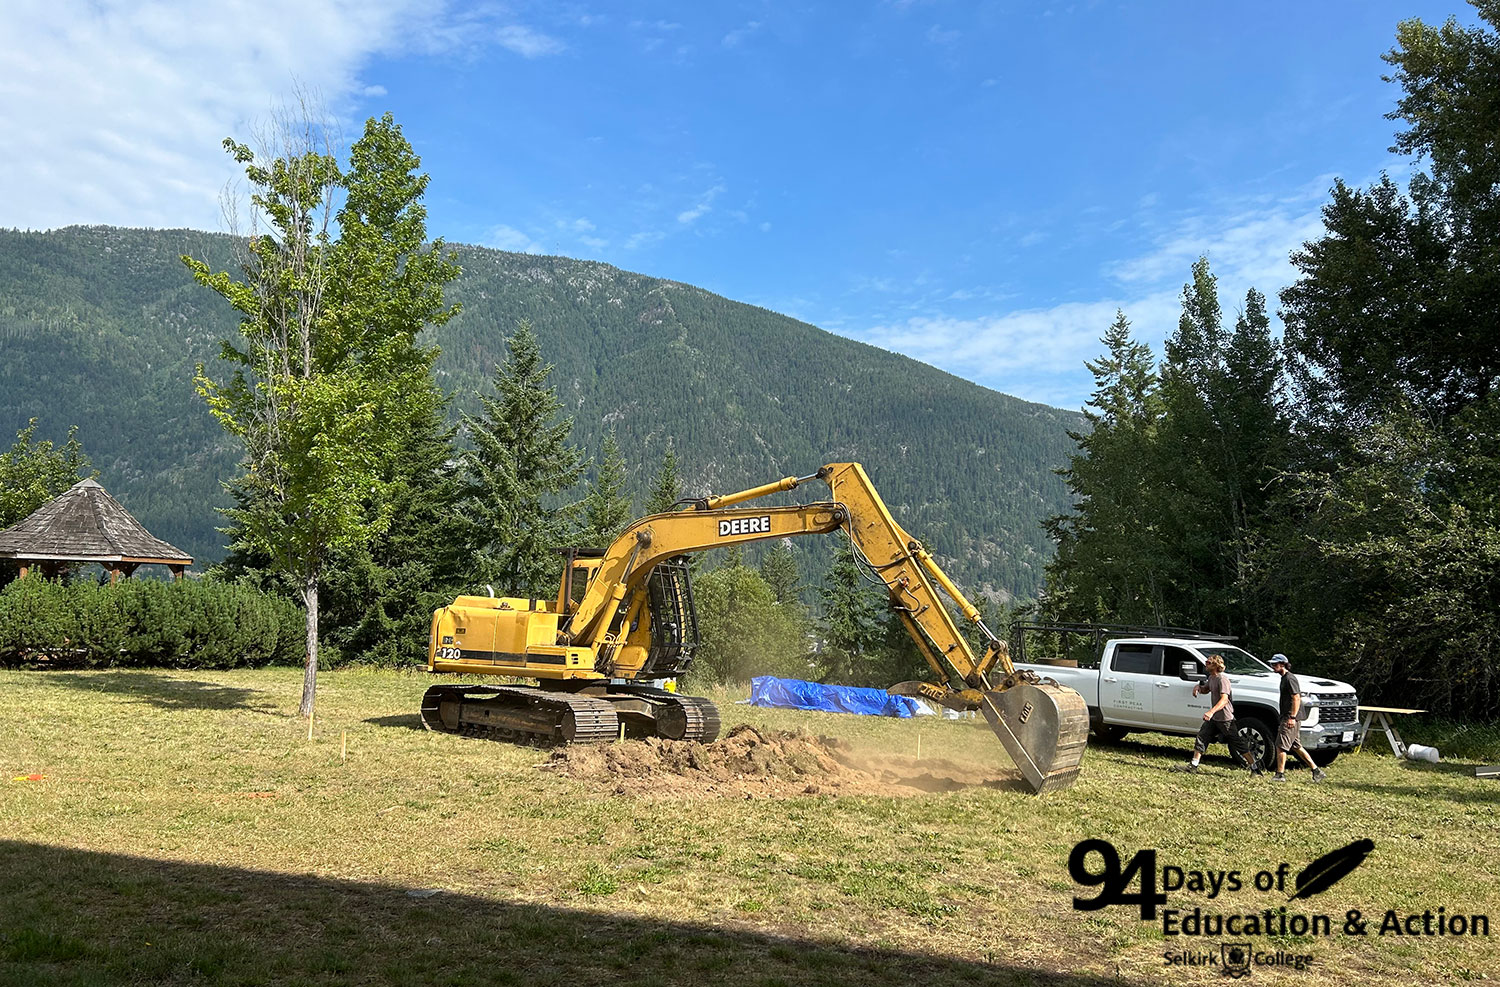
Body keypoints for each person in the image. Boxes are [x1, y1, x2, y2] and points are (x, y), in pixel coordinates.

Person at [1174, 654, 1261, 775]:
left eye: (1208, 662)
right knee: (1202, 737)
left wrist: (1210, 712)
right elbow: (1206, 689)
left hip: (1225, 719)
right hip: (1215, 718)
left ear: (1215, 665)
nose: (1206, 664)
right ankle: (1193, 766)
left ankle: (1255, 768)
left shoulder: (1222, 679)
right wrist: (1198, 687)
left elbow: (1224, 700)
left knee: (1237, 743)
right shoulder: (1212, 678)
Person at [1269, 653, 1326, 782]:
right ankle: (1316, 771)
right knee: (1296, 746)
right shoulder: (1284, 678)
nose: (1272, 667)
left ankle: (1280, 775)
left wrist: (1292, 717)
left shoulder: (1290, 679)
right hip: (1288, 716)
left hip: (1290, 717)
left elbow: (1296, 697)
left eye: (1275, 664)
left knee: (1280, 746)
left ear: (1282, 664)